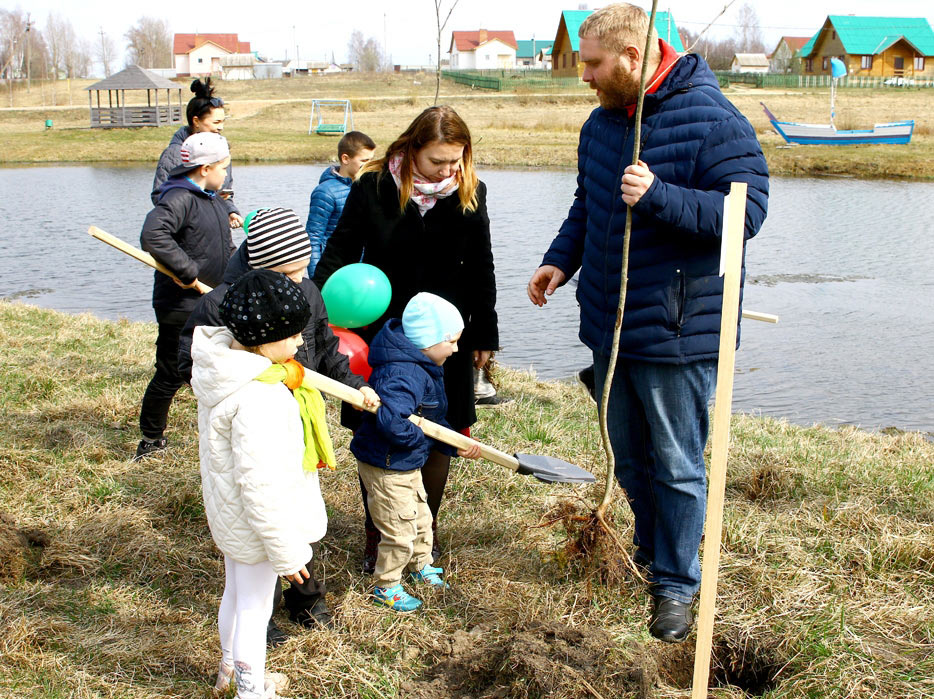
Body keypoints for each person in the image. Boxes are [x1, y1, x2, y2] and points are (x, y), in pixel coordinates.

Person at [527, 3, 768, 643]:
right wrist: (561, 260)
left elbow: (743, 218)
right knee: (631, 462)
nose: (585, 76)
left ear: (633, 58)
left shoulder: (714, 121)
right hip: (610, 323)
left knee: (678, 466)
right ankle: (655, 544)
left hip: (677, 329)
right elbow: (590, 201)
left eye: (595, 64)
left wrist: (659, 195)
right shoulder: (604, 125)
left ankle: (677, 586)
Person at [177, 206, 378, 644]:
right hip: (253, 421)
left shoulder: (306, 290)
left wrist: (353, 386)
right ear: (261, 266)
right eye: (288, 273)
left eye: (302, 268)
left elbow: (325, 348)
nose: (299, 279)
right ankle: (260, 616)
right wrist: (252, 376)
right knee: (260, 511)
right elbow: (188, 363)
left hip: (297, 417)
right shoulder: (221, 304)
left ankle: (305, 596)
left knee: (295, 508)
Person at [312, 106, 498, 575]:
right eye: (438, 161)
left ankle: (420, 536)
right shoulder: (374, 188)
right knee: (381, 429)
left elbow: (482, 267)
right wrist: (315, 312)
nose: (449, 170)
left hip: (445, 339)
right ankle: (381, 535)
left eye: (456, 160)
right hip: (385, 332)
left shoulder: (471, 194)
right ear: (412, 149)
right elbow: (338, 250)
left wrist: (484, 332)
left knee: (439, 434)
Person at [192, 269, 335, 699]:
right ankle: (252, 690)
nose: (300, 344)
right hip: (257, 523)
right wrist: (286, 551)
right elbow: (261, 484)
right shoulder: (261, 397)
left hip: (231, 515)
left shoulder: (224, 369)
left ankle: (228, 672)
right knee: (255, 606)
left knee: (235, 593)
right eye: (291, 335)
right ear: (261, 337)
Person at [351, 293, 481, 611]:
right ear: (427, 341)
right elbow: (393, 423)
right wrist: (420, 439)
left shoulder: (420, 365)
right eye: (450, 341)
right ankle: (387, 585)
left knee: (421, 516)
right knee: (399, 527)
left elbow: (430, 419)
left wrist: (454, 443)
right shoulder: (403, 374)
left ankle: (420, 565)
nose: (455, 348)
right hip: (387, 465)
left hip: (404, 462)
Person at [136, 132, 237, 461]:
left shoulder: (214, 200)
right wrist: (187, 271)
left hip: (211, 301)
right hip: (180, 304)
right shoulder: (179, 197)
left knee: (215, 367)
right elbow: (153, 234)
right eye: (224, 166)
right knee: (170, 371)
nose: (226, 173)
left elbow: (225, 248)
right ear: (205, 168)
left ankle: (222, 430)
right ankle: (151, 439)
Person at [151, 78, 242, 230]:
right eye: (216, 122)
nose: (221, 127)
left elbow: (224, 192)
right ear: (196, 121)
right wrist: (200, 209)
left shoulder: (221, 150)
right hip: (189, 235)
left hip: (216, 231)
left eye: (223, 121)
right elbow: (160, 197)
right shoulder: (174, 154)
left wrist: (230, 212)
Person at [305, 131, 376, 277]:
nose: (370, 166)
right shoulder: (325, 192)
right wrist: (317, 279)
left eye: (372, 160)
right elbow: (313, 238)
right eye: (364, 161)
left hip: (363, 272)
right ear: (345, 158)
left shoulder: (368, 187)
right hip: (335, 272)